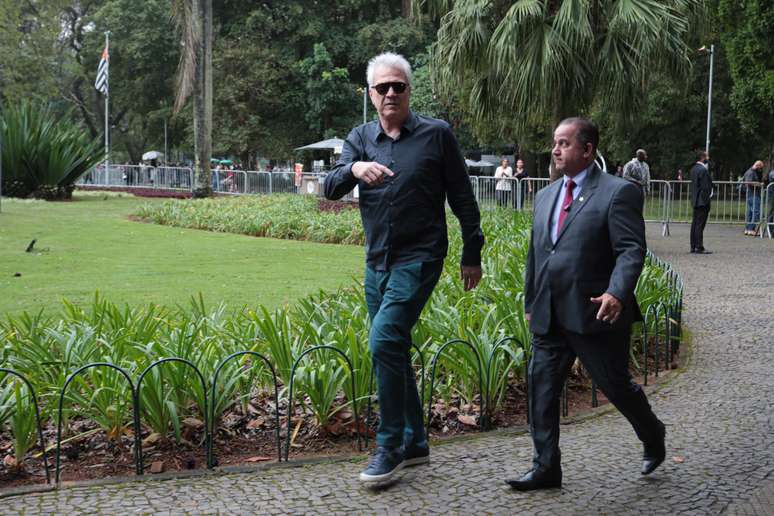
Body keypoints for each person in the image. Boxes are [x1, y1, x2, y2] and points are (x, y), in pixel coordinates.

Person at [323, 52, 484, 483]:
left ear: (409, 90)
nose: (391, 93)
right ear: (371, 95)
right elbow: (330, 186)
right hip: (377, 262)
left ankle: (389, 446)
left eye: (399, 86)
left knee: (384, 341)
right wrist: (354, 167)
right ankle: (415, 444)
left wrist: (473, 252)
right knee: (390, 346)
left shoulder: (436, 135)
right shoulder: (360, 138)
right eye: (383, 88)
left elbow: (463, 198)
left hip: (421, 257)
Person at [507, 117, 665, 491]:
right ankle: (546, 467)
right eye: (554, 143)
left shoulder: (617, 192)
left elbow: (630, 250)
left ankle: (652, 434)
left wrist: (617, 292)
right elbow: (537, 255)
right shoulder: (545, 195)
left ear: (588, 149)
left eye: (564, 143)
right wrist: (532, 301)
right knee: (541, 389)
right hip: (550, 314)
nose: (556, 150)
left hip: (596, 312)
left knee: (616, 386)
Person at [689, 151, 713, 254]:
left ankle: (693, 246)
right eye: (707, 156)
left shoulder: (694, 169)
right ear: (703, 158)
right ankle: (699, 246)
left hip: (695, 199)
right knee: (699, 225)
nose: (708, 158)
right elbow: (705, 187)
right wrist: (707, 198)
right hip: (702, 201)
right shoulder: (703, 170)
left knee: (695, 224)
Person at [742, 160, 765, 235]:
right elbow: (749, 182)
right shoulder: (751, 172)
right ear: (758, 166)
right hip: (753, 194)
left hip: (751, 194)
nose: (761, 170)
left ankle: (748, 229)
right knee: (756, 212)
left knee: (750, 212)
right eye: (761, 168)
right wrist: (759, 184)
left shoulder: (751, 171)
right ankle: (751, 229)